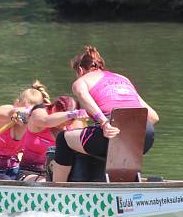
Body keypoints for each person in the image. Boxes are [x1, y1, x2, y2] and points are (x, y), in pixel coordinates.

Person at [51, 45, 159, 183]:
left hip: (112, 130)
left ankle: (57, 188)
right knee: (102, 142)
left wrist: (104, 123)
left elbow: (83, 96)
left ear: (80, 70)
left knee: (63, 139)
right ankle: (117, 184)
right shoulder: (123, 79)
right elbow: (154, 117)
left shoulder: (81, 82)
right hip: (146, 135)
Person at [0, 82, 47, 179]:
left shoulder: (34, 122)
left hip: (12, 167)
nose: (27, 115)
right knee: (6, 179)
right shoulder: (4, 113)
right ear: (16, 103)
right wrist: (15, 114)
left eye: (32, 112)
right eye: (26, 110)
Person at [22, 93, 86, 180]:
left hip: (62, 175)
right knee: (45, 183)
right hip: (30, 171)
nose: (65, 123)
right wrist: (71, 114)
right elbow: (46, 121)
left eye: (70, 120)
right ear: (54, 109)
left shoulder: (76, 123)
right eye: (63, 119)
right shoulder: (39, 113)